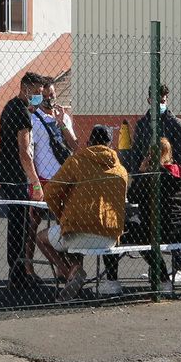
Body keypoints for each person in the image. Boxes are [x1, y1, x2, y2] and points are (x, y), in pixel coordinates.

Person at [101, 84, 181, 294]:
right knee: (150, 224)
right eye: (158, 99)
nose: (162, 102)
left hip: (158, 224)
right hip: (171, 223)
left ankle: (114, 281)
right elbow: (135, 154)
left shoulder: (175, 124)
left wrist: (145, 173)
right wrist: (142, 171)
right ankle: (161, 273)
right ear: (149, 99)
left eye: (164, 99)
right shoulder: (142, 125)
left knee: (121, 231)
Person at [37, 125, 128, 301]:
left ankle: (70, 274)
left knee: (41, 238)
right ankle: (74, 271)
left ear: (88, 142)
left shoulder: (77, 162)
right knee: (70, 235)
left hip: (77, 231)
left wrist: (61, 214)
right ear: (110, 144)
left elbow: (50, 192)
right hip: (109, 237)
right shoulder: (120, 170)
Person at [0, 71, 47, 289]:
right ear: (25, 88)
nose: (39, 97)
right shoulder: (21, 113)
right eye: (36, 92)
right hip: (16, 176)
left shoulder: (9, 107)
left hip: (7, 173)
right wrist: (36, 183)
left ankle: (17, 273)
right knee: (20, 226)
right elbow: (24, 152)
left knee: (18, 224)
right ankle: (17, 275)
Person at [25, 81, 79, 278]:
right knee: (33, 223)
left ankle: (63, 269)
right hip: (43, 179)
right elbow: (30, 152)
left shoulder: (63, 117)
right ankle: (28, 267)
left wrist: (62, 123)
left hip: (63, 180)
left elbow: (75, 146)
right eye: (46, 95)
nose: (50, 99)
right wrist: (34, 182)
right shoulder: (33, 119)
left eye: (52, 94)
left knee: (63, 224)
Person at [128, 138, 181, 293]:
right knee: (140, 228)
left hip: (158, 230)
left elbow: (133, 197)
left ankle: (163, 278)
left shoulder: (154, 175)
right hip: (180, 230)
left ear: (151, 155)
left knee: (129, 230)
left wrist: (141, 172)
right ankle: (160, 274)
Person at [123, 84, 181, 172]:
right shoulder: (141, 124)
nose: (159, 105)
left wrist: (174, 172)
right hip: (146, 173)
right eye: (156, 102)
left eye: (162, 101)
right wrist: (139, 174)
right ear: (149, 101)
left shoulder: (176, 123)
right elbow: (136, 152)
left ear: (167, 100)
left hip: (169, 173)